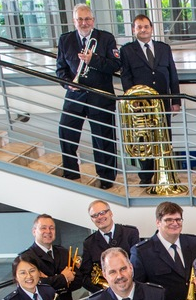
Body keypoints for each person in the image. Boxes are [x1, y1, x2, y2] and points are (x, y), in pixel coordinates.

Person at [55, 3, 119, 189]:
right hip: (75, 97)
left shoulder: (105, 38)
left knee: (103, 140)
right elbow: (60, 69)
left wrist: (94, 60)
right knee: (66, 133)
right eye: (80, 19)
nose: (84, 23)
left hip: (100, 97)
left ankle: (106, 178)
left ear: (93, 20)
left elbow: (116, 65)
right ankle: (71, 172)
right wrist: (68, 83)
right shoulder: (65, 40)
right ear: (74, 21)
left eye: (87, 19)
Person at [119, 14, 180, 187]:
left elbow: (173, 75)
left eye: (146, 26)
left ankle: (165, 174)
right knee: (144, 139)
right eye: (139, 27)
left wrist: (175, 100)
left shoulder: (164, 48)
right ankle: (146, 176)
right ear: (133, 30)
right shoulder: (127, 50)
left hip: (162, 103)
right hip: (141, 105)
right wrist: (132, 99)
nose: (143, 30)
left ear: (151, 28)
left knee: (164, 137)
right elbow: (126, 77)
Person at [130, 201, 196, 300]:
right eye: (168, 220)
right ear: (158, 222)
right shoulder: (142, 252)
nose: (175, 223)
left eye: (178, 219)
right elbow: (138, 290)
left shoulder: (195, 243)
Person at [21, 214, 83, 300]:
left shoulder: (63, 252)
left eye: (52, 228)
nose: (48, 231)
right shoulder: (26, 258)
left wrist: (48, 280)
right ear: (34, 231)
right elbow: (34, 286)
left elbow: (79, 280)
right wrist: (63, 278)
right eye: (43, 228)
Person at [78, 200, 140, 292]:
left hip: (133, 289)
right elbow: (84, 275)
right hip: (106, 296)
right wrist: (103, 292)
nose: (99, 217)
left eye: (102, 213)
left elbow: (138, 265)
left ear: (110, 213)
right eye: (95, 215)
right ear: (92, 219)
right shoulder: (89, 243)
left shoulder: (130, 233)